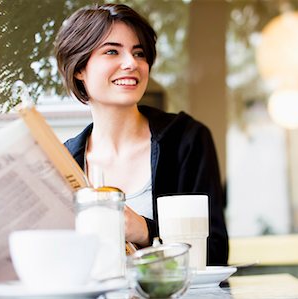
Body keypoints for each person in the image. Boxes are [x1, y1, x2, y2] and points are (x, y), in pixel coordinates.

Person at [54, 3, 228, 265]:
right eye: (112, 51)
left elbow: (215, 252)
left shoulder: (186, 140)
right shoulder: (63, 160)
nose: (131, 63)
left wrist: (146, 231)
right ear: (79, 68)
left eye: (139, 53)